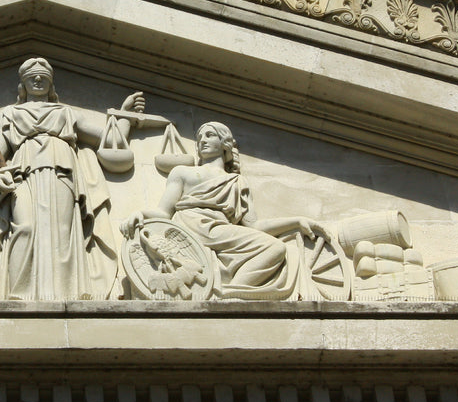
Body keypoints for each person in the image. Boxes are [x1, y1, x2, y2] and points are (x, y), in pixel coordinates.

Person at [0, 57, 145, 301]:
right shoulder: (10, 113)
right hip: (24, 177)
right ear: (22, 85)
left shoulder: (65, 113)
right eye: (32, 76)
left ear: (51, 84)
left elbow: (108, 139)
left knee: (63, 231)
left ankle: (67, 292)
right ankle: (21, 294)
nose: (37, 79)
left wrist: (125, 115)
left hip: (62, 175)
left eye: (43, 77)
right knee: (25, 227)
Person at [121, 121, 324, 299]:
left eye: (209, 135)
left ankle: (232, 292)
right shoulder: (183, 172)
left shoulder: (237, 181)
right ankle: (231, 292)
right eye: (200, 137)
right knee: (276, 248)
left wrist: (296, 221)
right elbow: (164, 213)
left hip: (220, 230)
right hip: (192, 225)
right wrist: (141, 214)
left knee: (276, 248)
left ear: (225, 143)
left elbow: (254, 225)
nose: (202, 140)